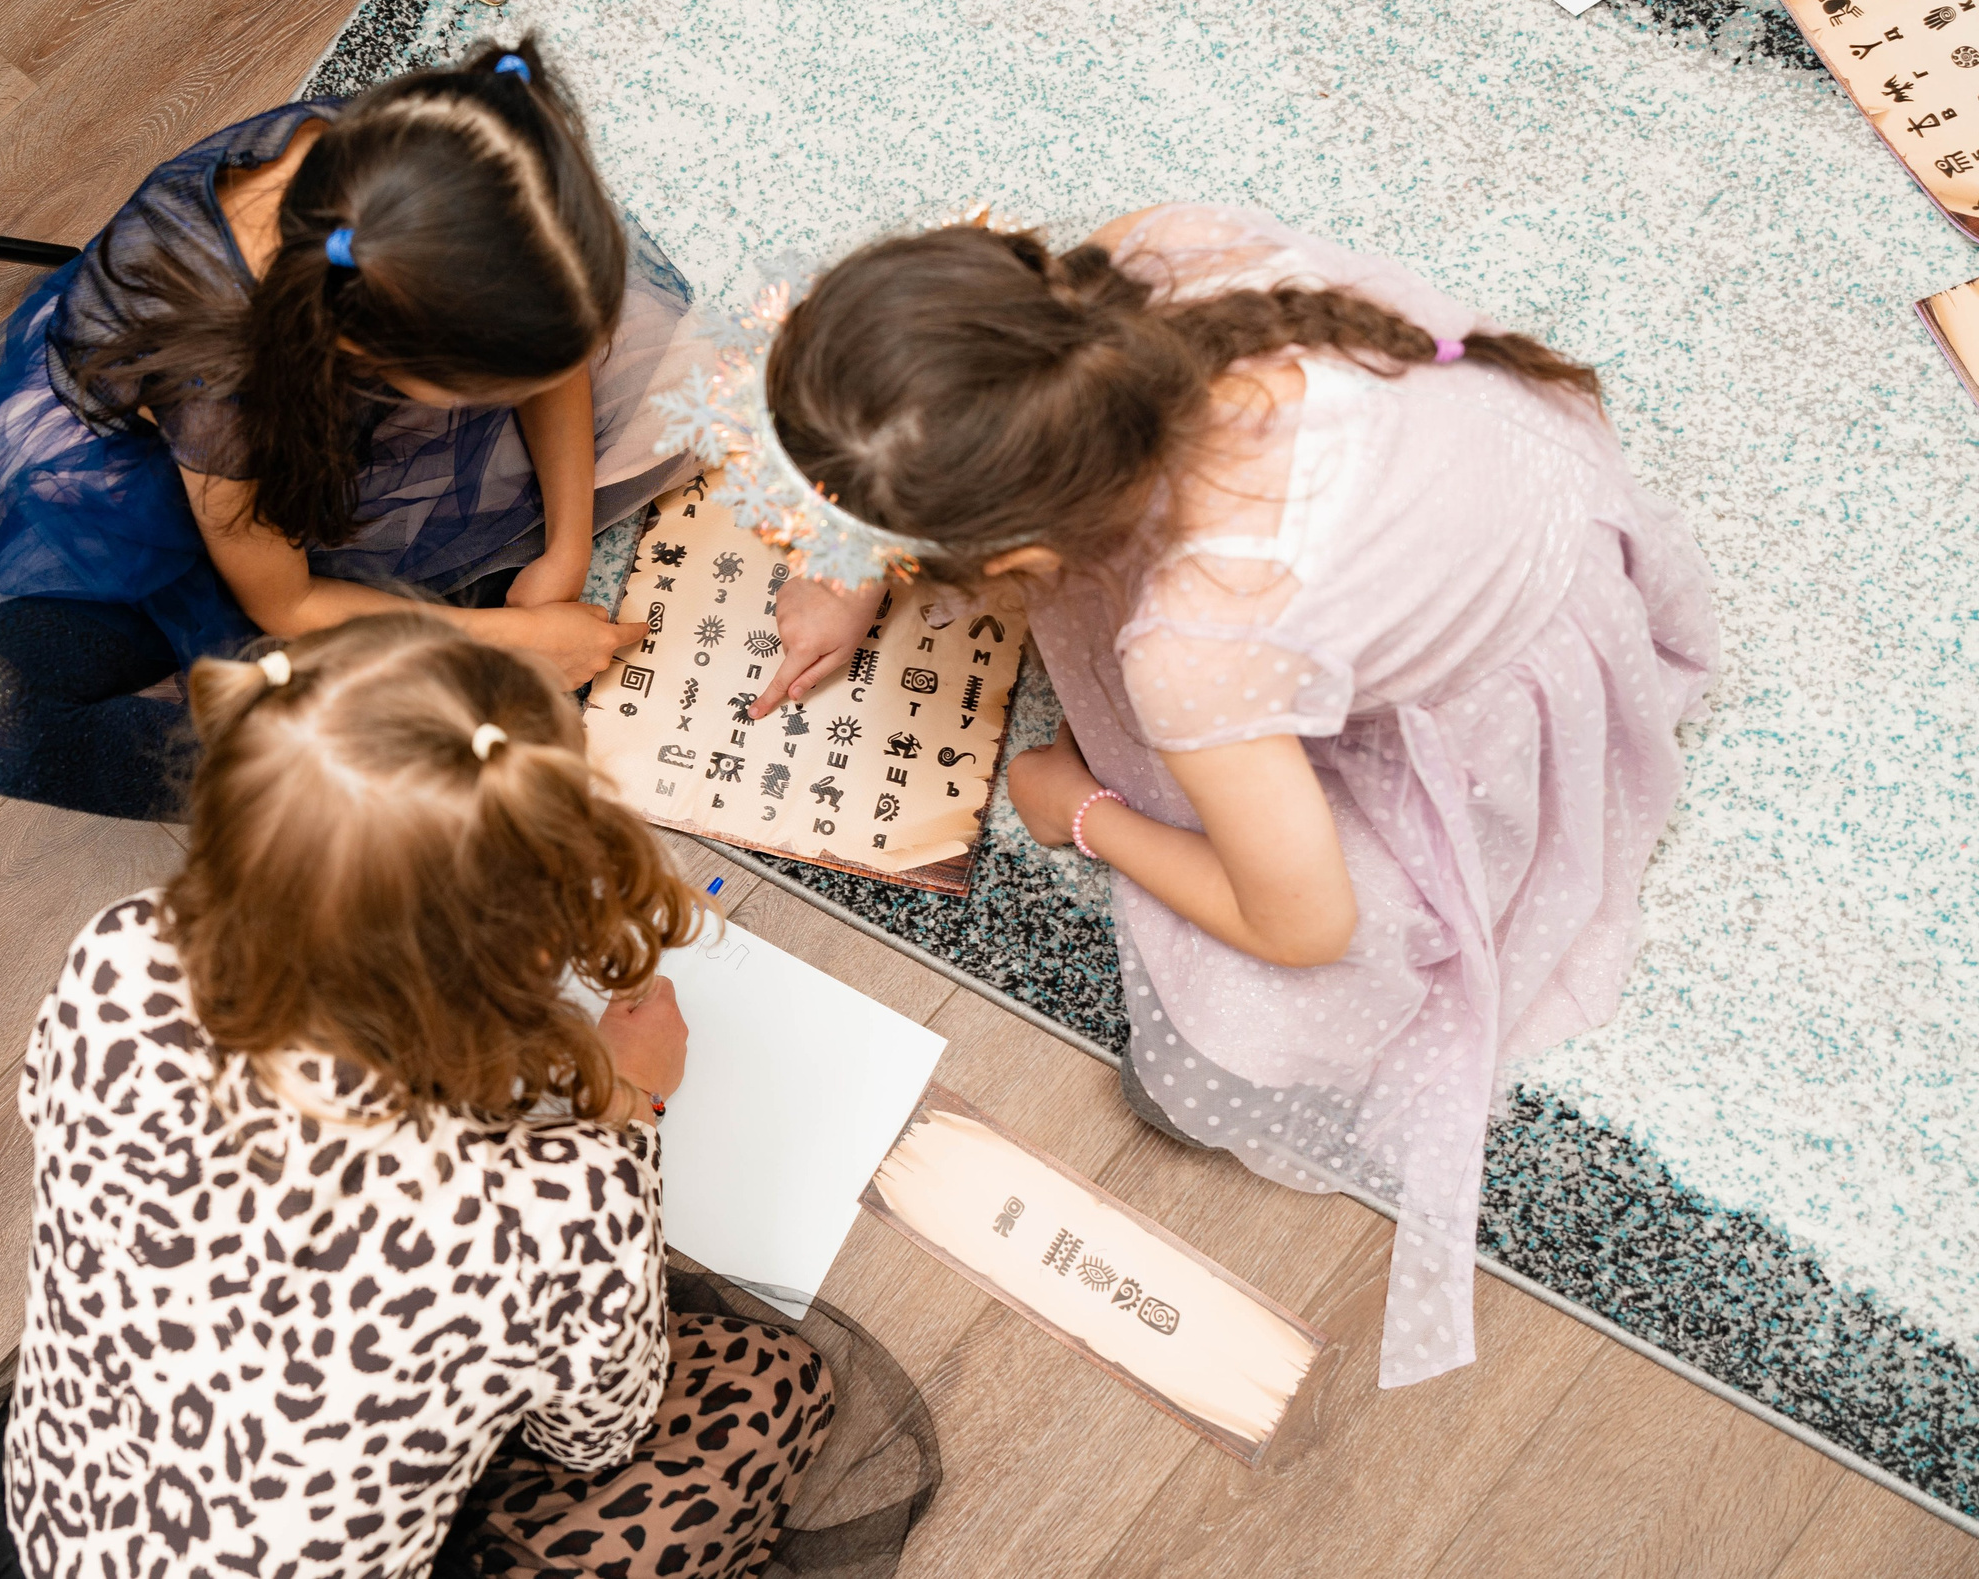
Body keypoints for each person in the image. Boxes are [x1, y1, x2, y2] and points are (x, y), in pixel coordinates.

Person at [714, 203, 1716, 1388]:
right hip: (1496, 471)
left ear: (1018, 556)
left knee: (1194, 1078)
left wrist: (1080, 814)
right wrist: (850, 564)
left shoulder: (1197, 645)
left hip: (1494, 658)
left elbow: (1305, 924)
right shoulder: (1153, 260)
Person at [0, 614, 938, 1579]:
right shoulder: (563, 1207)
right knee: (769, 1382)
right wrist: (629, 1110)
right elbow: (594, 1438)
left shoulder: (124, 956)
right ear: (537, 941)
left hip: (49, 1540)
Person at [0, 38, 702, 821]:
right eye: (489, 388)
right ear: (370, 350)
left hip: (283, 424)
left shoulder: (412, 173)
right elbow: (286, 604)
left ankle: (420, 673)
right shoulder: (225, 384)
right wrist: (506, 638)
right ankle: (349, 784)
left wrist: (567, 548)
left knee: (673, 394)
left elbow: (558, 355)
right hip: (175, 489)